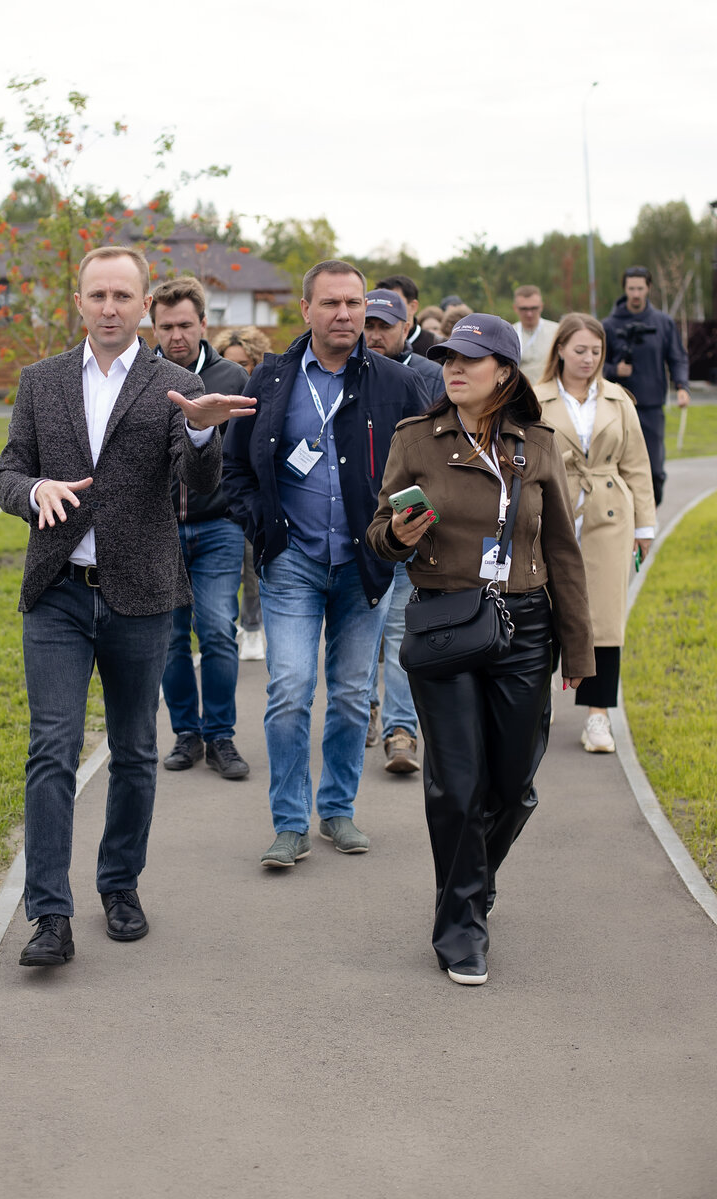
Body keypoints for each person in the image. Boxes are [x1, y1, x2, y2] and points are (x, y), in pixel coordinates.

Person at [0, 246, 255, 966]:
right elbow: (8, 470)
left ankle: (119, 885)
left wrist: (202, 428)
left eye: (122, 295)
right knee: (51, 749)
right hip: (57, 596)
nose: (109, 307)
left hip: (141, 595)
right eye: (96, 294)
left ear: (144, 306)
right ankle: (49, 913)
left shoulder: (174, 384)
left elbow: (199, 482)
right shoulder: (40, 382)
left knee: (136, 751)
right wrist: (31, 493)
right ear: (77, 303)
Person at [367, 313, 594, 986]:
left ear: (504, 371)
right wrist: (397, 537)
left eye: (469, 358)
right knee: (458, 784)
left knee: (514, 787)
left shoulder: (536, 445)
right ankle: (462, 926)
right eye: (447, 357)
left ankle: (471, 879)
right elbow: (378, 532)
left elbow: (563, 553)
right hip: (445, 623)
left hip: (525, 627)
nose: (453, 367)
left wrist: (579, 652)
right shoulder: (417, 440)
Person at [222, 260, 427, 868]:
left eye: (354, 304)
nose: (344, 314)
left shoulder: (395, 383)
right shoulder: (271, 380)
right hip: (293, 562)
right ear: (307, 310)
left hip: (367, 565)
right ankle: (290, 822)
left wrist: (405, 531)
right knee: (289, 690)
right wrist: (258, 524)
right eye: (331, 303)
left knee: (348, 695)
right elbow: (236, 467)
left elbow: (424, 466)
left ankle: (337, 811)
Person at [536, 314, 656, 753]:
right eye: (580, 350)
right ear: (561, 349)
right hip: (552, 512)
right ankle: (533, 709)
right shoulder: (535, 397)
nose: (589, 359)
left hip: (608, 515)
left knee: (604, 616)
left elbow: (638, 466)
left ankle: (598, 717)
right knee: (542, 608)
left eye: (596, 351)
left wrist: (645, 526)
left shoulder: (618, 399)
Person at [150, 278, 252, 780]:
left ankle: (221, 736)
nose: (176, 335)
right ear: (154, 326)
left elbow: (248, 449)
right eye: (166, 326)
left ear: (203, 323)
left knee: (216, 630)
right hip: (161, 527)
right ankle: (186, 734)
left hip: (218, 525)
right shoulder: (141, 377)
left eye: (185, 325)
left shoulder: (230, 375)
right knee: (170, 638)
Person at [363, 288, 439, 772]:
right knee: (361, 634)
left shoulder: (429, 375)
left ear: (405, 325)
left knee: (400, 633)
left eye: (383, 326)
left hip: (407, 526)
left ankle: (401, 731)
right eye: (367, 325)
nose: (374, 335)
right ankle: (366, 708)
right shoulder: (342, 374)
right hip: (355, 532)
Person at [602, 266, 690, 505]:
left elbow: (677, 357)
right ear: (625, 289)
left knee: (654, 470)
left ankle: (650, 516)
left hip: (651, 406)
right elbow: (595, 364)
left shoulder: (663, 322)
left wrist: (682, 386)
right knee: (618, 467)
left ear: (648, 288)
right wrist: (613, 370)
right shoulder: (608, 325)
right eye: (631, 288)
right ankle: (623, 520)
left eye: (640, 288)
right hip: (616, 407)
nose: (636, 293)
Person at [211, 325, 273, 662]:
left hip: (251, 495)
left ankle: (252, 626)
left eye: (245, 362)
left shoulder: (267, 394)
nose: (239, 369)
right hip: (219, 498)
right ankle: (235, 624)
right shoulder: (215, 394)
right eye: (231, 361)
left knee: (252, 567)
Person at [375, 274, 436, 356]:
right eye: (381, 302)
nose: (386, 308)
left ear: (413, 307)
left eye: (394, 303)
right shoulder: (365, 345)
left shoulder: (436, 347)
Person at [512, 285, 558, 386]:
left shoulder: (556, 331)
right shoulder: (510, 333)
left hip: (549, 391)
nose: (529, 314)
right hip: (520, 393)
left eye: (534, 308)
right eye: (524, 309)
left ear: (541, 306)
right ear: (515, 308)